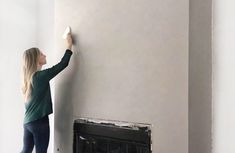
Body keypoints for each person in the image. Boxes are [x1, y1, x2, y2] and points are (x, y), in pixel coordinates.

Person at [20, 34, 73, 153]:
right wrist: (69, 45)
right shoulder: (39, 76)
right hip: (39, 122)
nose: (45, 55)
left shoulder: (28, 79)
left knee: (26, 150)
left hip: (28, 122)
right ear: (35, 59)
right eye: (41, 54)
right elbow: (62, 64)